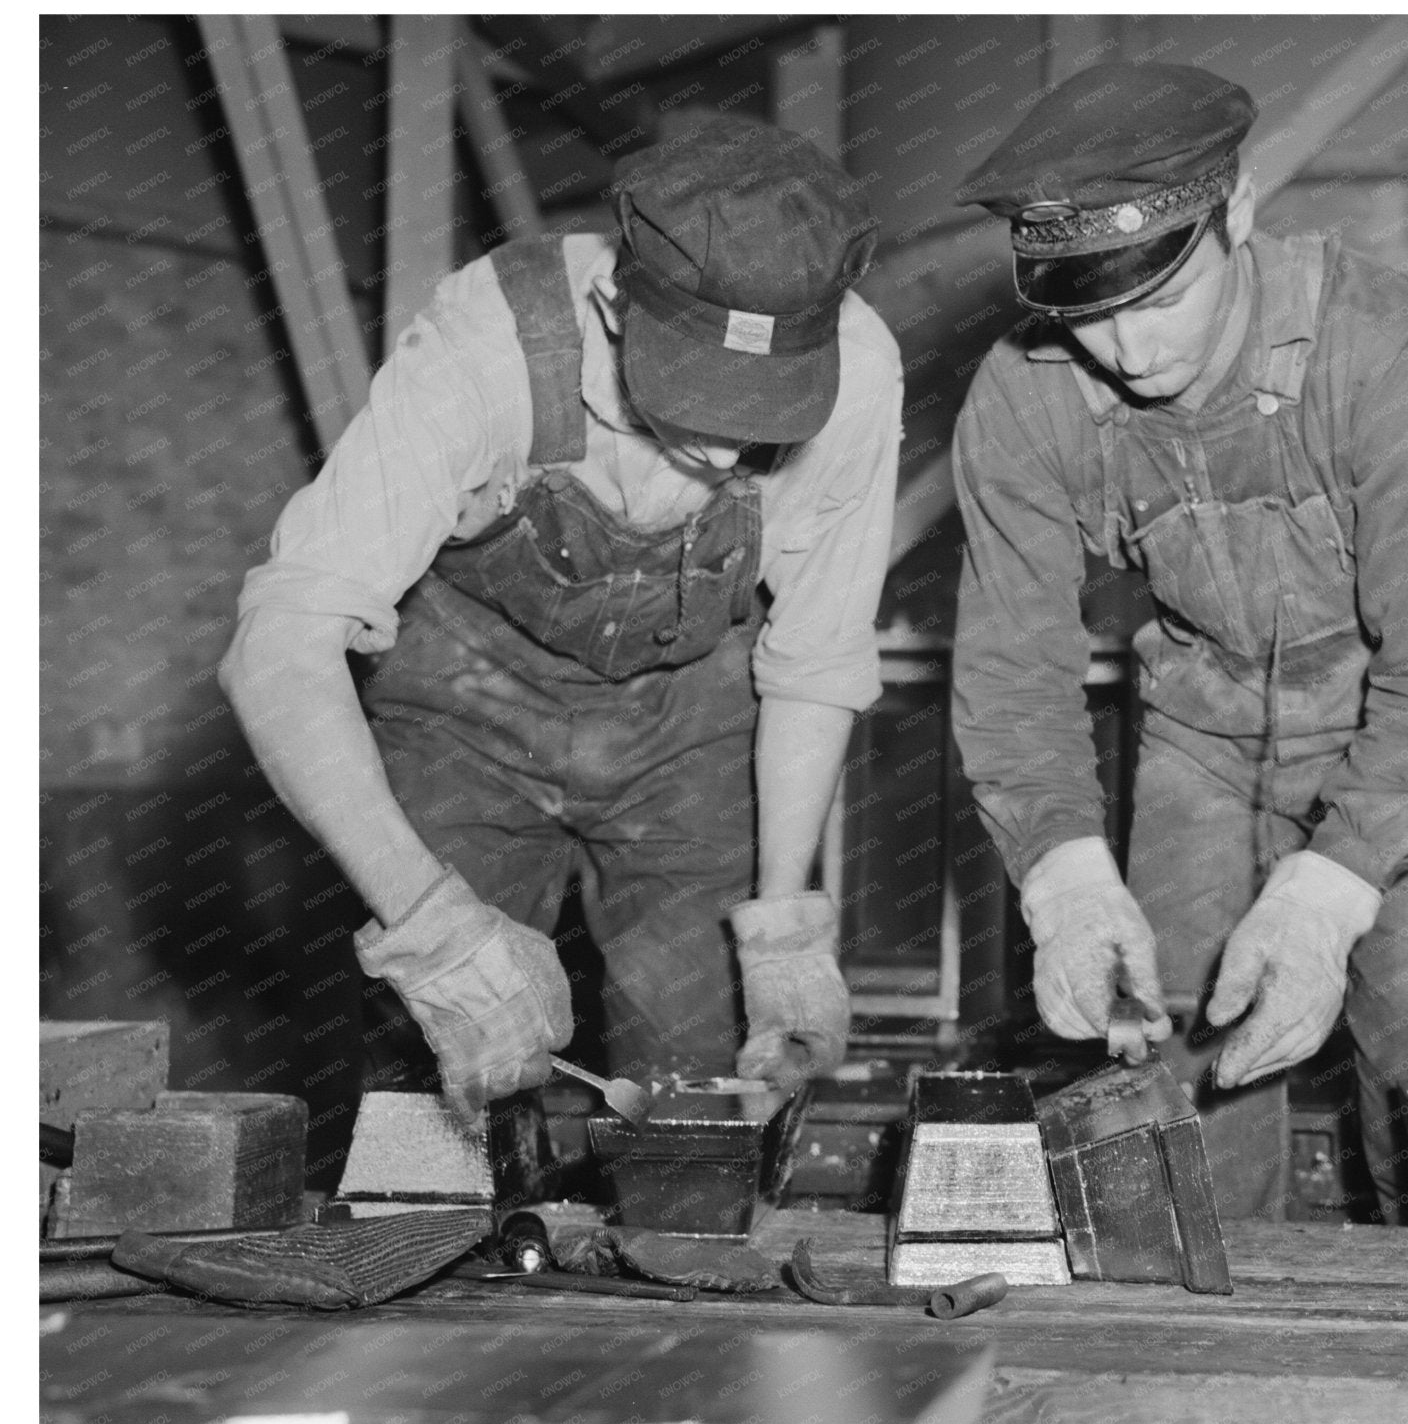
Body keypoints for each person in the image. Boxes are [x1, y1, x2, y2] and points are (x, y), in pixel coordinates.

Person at [220, 112, 902, 1127]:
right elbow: (279, 645)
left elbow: (814, 661)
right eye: (699, 395)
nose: (725, 451)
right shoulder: (491, 344)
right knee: (428, 1097)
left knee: (697, 1099)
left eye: (764, 408)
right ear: (614, 309)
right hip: (465, 708)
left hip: (689, 726)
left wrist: (784, 928)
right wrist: (431, 928)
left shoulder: (858, 376)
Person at [948, 64, 1408, 1221]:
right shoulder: (1025, 393)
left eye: (1157, 296)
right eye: (1085, 309)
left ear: (1239, 211)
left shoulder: (1384, 352)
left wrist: (1325, 899)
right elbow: (1012, 675)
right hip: (1199, 738)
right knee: (1171, 1100)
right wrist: (1062, 878)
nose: (1124, 349)